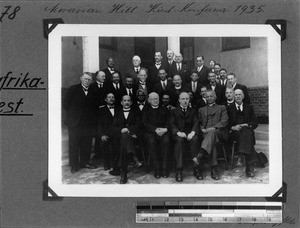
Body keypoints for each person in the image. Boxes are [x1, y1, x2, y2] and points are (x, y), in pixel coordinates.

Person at [63, 72, 97, 173]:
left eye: (89, 80)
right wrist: (75, 115)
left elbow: (94, 106)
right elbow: (66, 104)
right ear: (81, 79)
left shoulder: (93, 90)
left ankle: (85, 162)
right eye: (86, 79)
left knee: (86, 143)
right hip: (75, 122)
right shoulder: (72, 89)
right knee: (74, 144)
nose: (87, 81)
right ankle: (74, 165)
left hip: (88, 123)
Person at [198, 90, 228, 180]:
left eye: (211, 96)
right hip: (205, 134)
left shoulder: (222, 107)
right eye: (207, 97)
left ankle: (202, 153)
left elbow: (224, 122)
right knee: (212, 142)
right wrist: (201, 128)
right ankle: (214, 168)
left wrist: (213, 128)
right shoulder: (201, 109)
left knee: (212, 134)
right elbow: (198, 122)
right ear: (205, 98)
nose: (209, 98)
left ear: (215, 97)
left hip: (219, 132)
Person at [227, 89, 258, 177]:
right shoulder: (229, 108)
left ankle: (241, 154)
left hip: (246, 131)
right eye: (236, 94)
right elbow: (226, 123)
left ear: (243, 96)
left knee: (246, 131)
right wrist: (232, 127)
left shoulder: (249, 107)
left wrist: (245, 124)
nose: (238, 96)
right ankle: (249, 167)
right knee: (247, 137)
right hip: (235, 133)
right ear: (233, 96)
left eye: (240, 94)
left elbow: (255, 123)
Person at [111, 95, 142, 184]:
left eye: (128, 100)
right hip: (120, 139)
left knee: (125, 140)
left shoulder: (136, 112)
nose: (127, 102)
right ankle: (134, 157)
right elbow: (112, 128)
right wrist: (121, 130)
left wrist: (129, 130)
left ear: (131, 102)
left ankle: (123, 173)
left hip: (134, 137)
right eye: (124, 100)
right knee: (124, 137)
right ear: (121, 102)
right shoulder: (117, 113)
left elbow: (139, 125)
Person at [169, 92, 199, 182]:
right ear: (179, 100)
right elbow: (171, 123)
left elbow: (196, 122)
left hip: (190, 134)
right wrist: (178, 132)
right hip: (179, 135)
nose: (185, 101)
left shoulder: (193, 111)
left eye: (187, 99)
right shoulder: (173, 111)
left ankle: (196, 168)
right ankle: (179, 170)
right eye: (183, 99)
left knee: (195, 140)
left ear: (189, 100)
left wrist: (192, 132)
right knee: (179, 141)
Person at [143, 92, 170, 178]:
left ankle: (165, 168)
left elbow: (169, 121)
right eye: (153, 99)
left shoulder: (164, 109)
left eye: (157, 99)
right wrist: (155, 129)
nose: (155, 101)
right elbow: (145, 123)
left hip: (163, 132)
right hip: (151, 132)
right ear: (149, 100)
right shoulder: (145, 110)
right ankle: (157, 168)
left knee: (166, 140)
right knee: (151, 141)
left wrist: (165, 129)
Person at [97, 93, 120, 172]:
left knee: (118, 142)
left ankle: (117, 163)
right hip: (106, 134)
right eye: (109, 97)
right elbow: (98, 124)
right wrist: (102, 135)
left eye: (113, 97)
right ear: (105, 100)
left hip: (117, 133)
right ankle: (106, 163)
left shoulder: (119, 109)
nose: (111, 99)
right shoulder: (101, 110)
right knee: (104, 142)